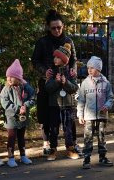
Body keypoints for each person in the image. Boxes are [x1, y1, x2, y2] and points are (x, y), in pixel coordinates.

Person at [31, 9, 81, 155]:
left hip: (65, 80)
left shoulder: (68, 41)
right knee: (46, 112)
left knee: (69, 112)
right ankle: (47, 144)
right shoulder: (42, 41)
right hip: (48, 81)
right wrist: (44, 70)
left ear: (63, 26)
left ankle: (73, 143)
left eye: (59, 27)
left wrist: (73, 70)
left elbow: (74, 60)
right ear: (48, 27)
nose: (57, 30)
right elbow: (35, 60)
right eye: (53, 28)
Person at [77, 56, 114, 169]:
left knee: (102, 137)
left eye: (92, 68)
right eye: (88, 68)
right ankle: (86, 158)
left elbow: (110, 97)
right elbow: (81, 100)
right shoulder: (85, 83)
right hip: (89, 116)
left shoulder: (106, 83)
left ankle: (102, 157)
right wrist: (80, 114)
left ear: (98, 69)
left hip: (102, 116)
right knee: (88, 138)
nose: (89, 70)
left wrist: (107, 105)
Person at [45, 43, 80, 160]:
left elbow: (75, 88)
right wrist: (56, 81)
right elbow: (48, 88)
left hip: (67, 105)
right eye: (54, 57)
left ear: (65, 60)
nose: (55, 59)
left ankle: (70, 148)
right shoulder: (51, 73)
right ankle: (53, 149)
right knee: (53, 128)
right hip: (54, 105)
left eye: (58, 57)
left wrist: (66, 83)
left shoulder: (71, 73)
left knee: (68, 128)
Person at [0, 59, 36, 167]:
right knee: (12, 137)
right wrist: (17, 108)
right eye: (8, 77)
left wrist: (26, 106)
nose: (9, 79)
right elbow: (4, 102)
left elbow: (33, 99)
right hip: (11, 117)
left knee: (21, 137)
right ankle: (11, 158)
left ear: (18, 77)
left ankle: (23, 156)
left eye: (12, 77)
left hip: (22, 117)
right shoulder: (6, 89)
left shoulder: (27, 88)